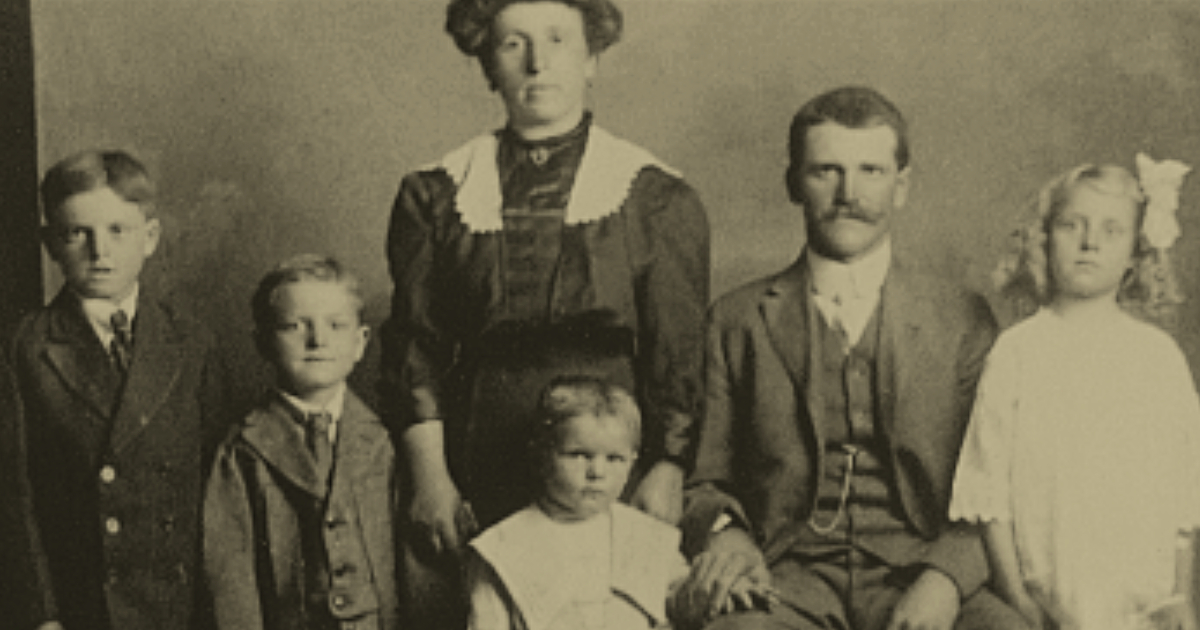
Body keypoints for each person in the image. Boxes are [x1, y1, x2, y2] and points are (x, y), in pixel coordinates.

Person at [380, 0, 708, 625]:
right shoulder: (436, 191)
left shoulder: (655, 194)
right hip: (477, 452)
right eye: (513, 44)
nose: (538, 61)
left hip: (608, 456)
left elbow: (679, 352)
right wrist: (430, 478)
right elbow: (415, 349)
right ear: (486, 66)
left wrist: (666, 467)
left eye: (558, 40)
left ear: (592, 59)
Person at [671, 86, 1026, 630]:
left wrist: (946, 579)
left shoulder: (962, 318)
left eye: (871, 172)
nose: (848, 193)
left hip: (919, 566)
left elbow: (995, 480)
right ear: (794, 182)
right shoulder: (737, 320)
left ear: (901, 186)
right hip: (785, 574)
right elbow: (705, 480)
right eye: (825, 171)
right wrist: (729, 537)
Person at [950, 158, 1200, 630]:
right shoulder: (1018, 352)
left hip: (1141, 601)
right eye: (1072, 226)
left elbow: (1182, 498)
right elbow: (989, 498)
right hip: (1053, 593)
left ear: (1136, 252)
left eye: (1112, 231)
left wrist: (1179, 594)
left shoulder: (1158, 358)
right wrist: (1020, 601)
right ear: (1045, 239)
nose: (1090, 243)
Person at [7, 150, 228, 630]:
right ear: (50, 244)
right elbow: (16, 499)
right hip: (81, 605)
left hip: (179, 606)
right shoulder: (25, 348)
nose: (99, 252)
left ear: (150, 238)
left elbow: (219, 491)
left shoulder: (192, 340)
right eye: (77, 234)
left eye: (117, 231)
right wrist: (42, 616)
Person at [203, 254, 400, 630]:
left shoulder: (384, 442)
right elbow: (231, 580)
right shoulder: (242, 451)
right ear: (263, 342)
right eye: (295, 326)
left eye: (337, 325)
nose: (318, 340)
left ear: (360, 343)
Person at [466, 375, 689, 630]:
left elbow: (684, 599)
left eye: (615, 459)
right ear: (542, 454)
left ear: (632, 463)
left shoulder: (645, 536)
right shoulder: (503, 548)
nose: (597, 472)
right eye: (579, 455)